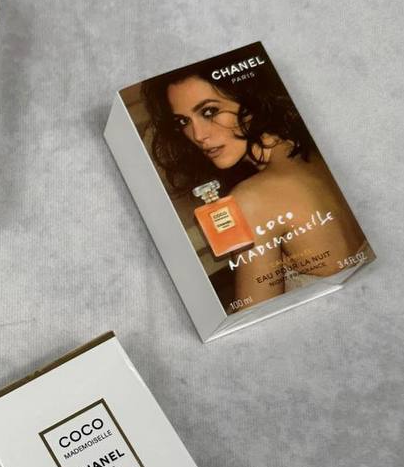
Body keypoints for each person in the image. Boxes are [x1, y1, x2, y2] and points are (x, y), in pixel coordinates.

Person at [141, 65, 369, 304]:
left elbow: (255, 314)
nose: (197, 135)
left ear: (250, 98)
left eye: (209, 111)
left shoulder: (251, 199)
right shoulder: (315, 156)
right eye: (183, 121)